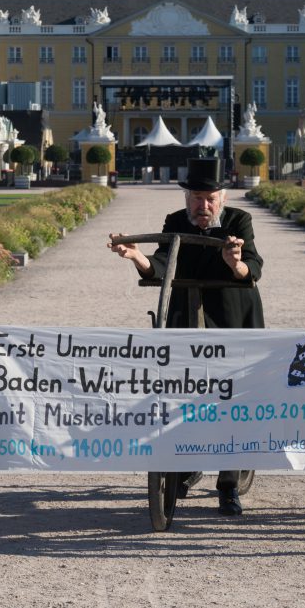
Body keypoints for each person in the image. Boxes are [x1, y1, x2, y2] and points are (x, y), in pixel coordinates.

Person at [108, 158, 264, 516]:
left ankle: (228, 483)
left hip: (232, 321)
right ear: (187, 198)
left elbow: (252, 266)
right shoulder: (176, 222)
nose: (203, 206)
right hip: (187, 320)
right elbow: (163, 262)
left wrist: (233, 261)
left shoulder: (239, 221)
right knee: (181, 395)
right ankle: (183, 464)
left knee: (233, 403)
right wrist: (136, 256)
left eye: (210, 199)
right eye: (196, 197)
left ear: (222, 198)